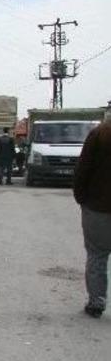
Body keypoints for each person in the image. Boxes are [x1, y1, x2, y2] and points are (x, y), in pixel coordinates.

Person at [74, 117, 111, 318]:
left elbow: (83, 168)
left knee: (97, 255)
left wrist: (81, 196)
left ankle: (97, 302)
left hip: (98, 206)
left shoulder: (100, 134)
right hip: (97, 204)